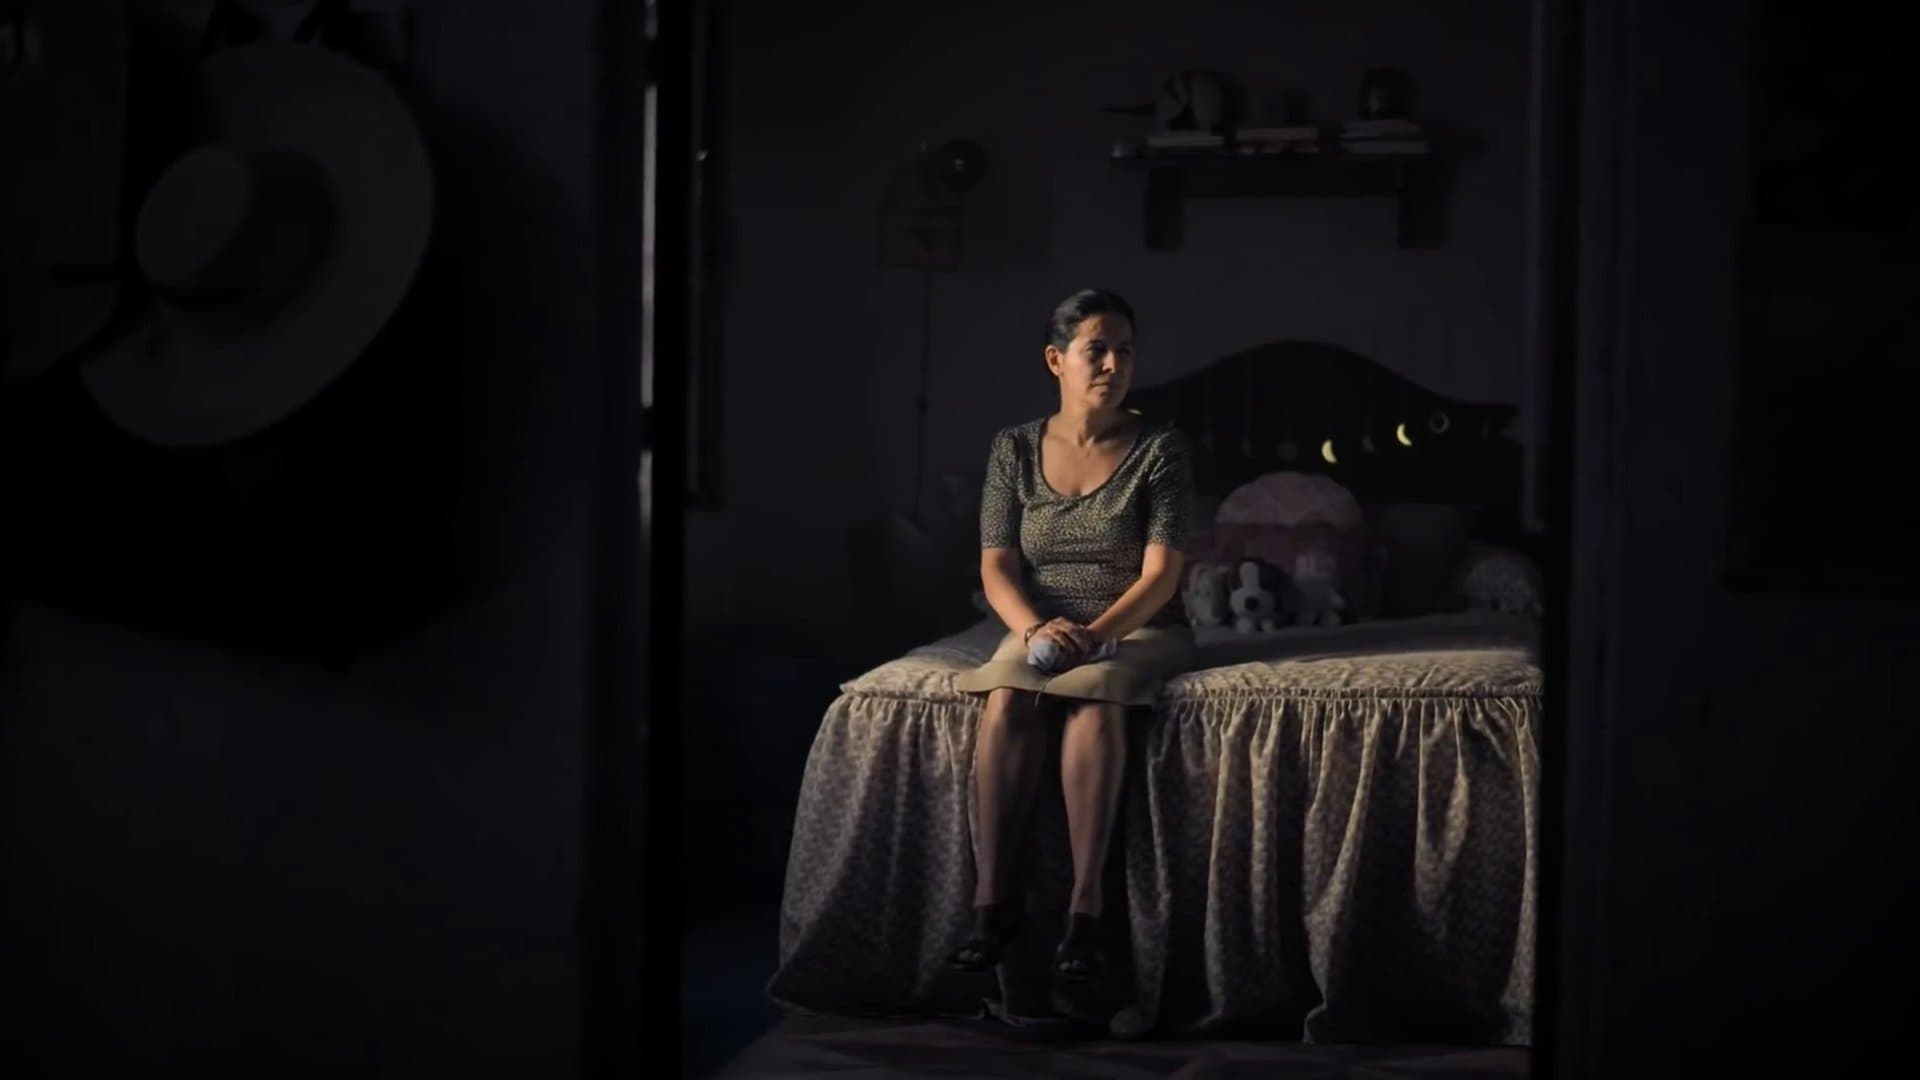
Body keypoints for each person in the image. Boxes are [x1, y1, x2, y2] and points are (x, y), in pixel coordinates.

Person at [949, 288, 1196, 986]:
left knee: (1093, 699)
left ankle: (1086, 912)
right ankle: (992, 905)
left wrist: (1093, 636)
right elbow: (996, 566)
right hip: (1041, 622)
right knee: (1007, 698)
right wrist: (1033, 628)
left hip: (1137, 625)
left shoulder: (1160, 449)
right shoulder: (1013, 449)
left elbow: (1162, 576)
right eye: (1097, 350)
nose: (1114, 364)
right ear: (1056, 360)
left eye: (1125, 351)